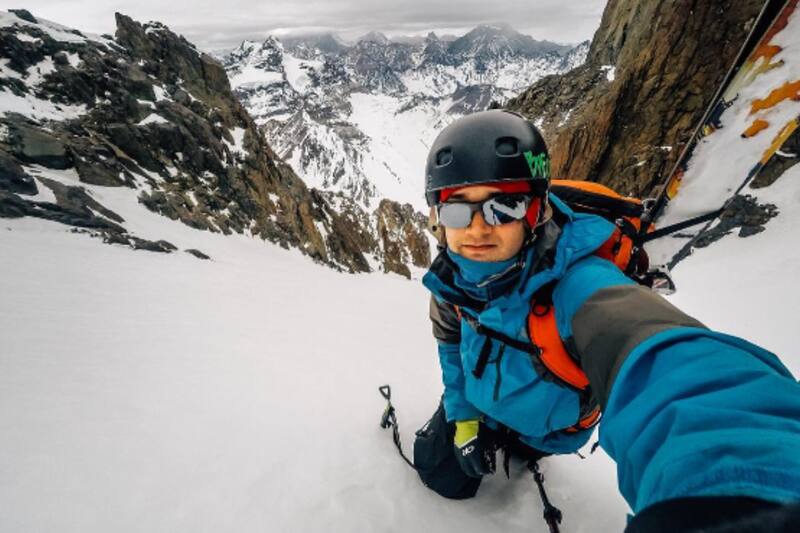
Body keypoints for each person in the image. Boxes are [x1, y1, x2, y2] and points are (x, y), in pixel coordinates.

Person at [417, 109, 800, 531]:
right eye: (456, 210)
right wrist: (464, 416)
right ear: (437, 217)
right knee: (442, 475)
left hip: (543, 431)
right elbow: (451, 347)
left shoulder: (581, 286)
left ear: (536, 210)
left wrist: (745, 496)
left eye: (503, 206)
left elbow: (670, 366)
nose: (476, 228)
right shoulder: (452, 282)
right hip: (483, 407)